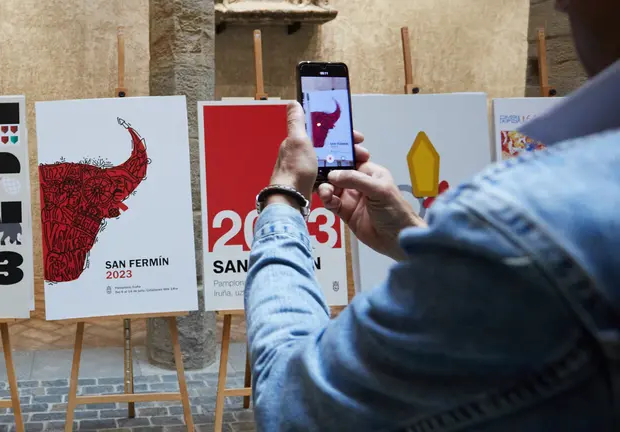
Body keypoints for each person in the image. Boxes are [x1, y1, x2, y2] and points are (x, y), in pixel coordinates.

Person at [244, 0, 620, 431]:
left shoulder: (528, 216)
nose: (560, 3)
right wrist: (411, 235)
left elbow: (293, 404)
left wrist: (284, 196)